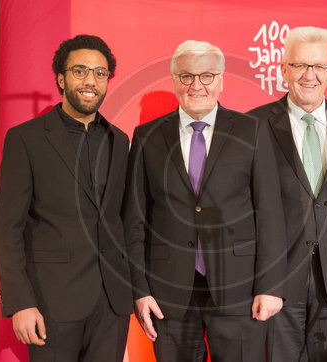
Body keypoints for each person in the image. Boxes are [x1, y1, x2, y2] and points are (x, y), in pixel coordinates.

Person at [122, 40, 286, 362]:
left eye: (207, 76)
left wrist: (271, 286)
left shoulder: (251, 131)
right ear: (174, 81)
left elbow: (270, 214)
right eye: (186, 76)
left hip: (241, 292)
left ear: (221, 79)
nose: (196, 85)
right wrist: (139, 292)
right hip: (168, 296)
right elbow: (134, 221)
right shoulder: (146, 136)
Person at [0, 35, 132, 361]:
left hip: (111, 305)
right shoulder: (25, 139)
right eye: (80, 71)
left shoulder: (120, 141)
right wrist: (20, 302)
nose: (90, 81)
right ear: (61, 78)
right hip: (50, 303)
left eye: (100, 73)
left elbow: (120, 220)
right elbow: (6, 228)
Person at [248, 26, 327, 361]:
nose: (309, 75)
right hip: (276, 282)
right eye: (300, 65)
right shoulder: (251, 126)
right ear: (283, 70)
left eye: (319, 67)